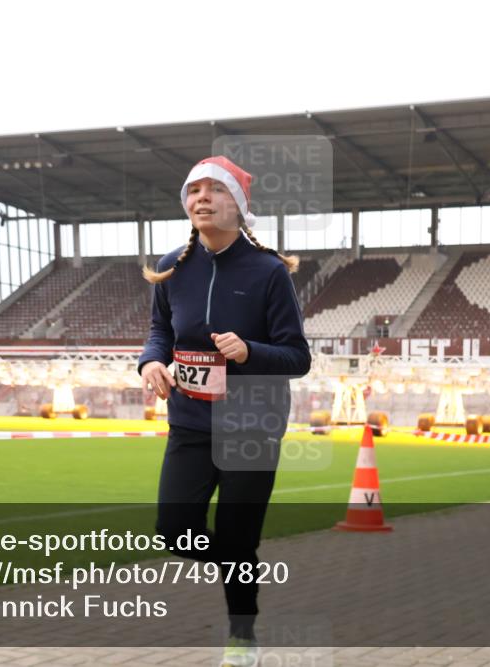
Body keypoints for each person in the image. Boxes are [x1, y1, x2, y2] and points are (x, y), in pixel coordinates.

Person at [138, 156, 311, 667]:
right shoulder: (172, 266)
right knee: (175, 530)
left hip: (252, 425)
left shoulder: (269, 272)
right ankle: (241, 559)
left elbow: (298, 357)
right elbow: (160, 332)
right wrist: (150, 363)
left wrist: (249, 352)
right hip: (190, 421)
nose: (202, 199)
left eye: (215, 190)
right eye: (194, 191)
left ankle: (242, 637)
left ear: (238, 204)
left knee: (237, 539)